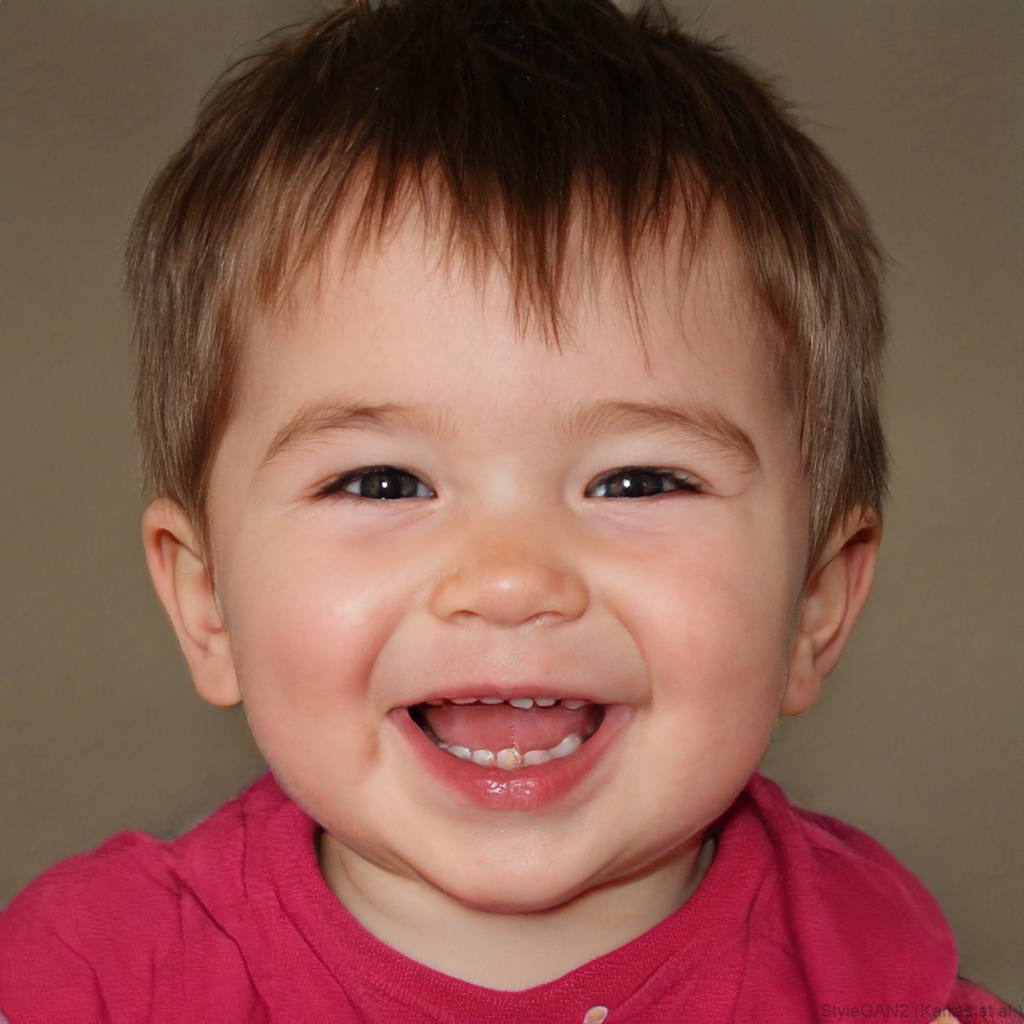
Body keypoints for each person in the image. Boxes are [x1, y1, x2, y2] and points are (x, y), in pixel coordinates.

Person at [0, 1, 1018, 1020]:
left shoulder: (879, 993)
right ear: (206, 601)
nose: (508, 578)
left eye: (637, 481)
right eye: (383, 482)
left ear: (815, 605)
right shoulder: (91, 987)